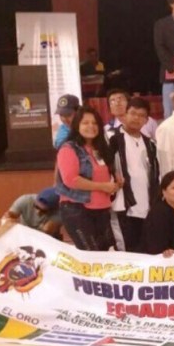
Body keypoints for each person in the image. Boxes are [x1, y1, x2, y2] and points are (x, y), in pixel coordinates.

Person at [55, 106, 120, 251]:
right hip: (78, 209)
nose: (91, 126)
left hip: (102, 209)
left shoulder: (100, 149)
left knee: (107, 254)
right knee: (91, 258)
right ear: (77, 125)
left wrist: (116, 181)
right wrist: (102, 186)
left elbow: (105, 174)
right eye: (85, 123)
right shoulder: (69, 148)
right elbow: (71, 180)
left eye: (95, 123)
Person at [108, 97, 159, 252]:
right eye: (133, 113)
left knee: (144, 251)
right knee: (126, 252)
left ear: (146, 120)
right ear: (125, 114)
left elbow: (154, 174)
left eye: (142, 115)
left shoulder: (150, 144)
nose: (136, 118)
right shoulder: (112, 138)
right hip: (123, 205)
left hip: (146, 207)